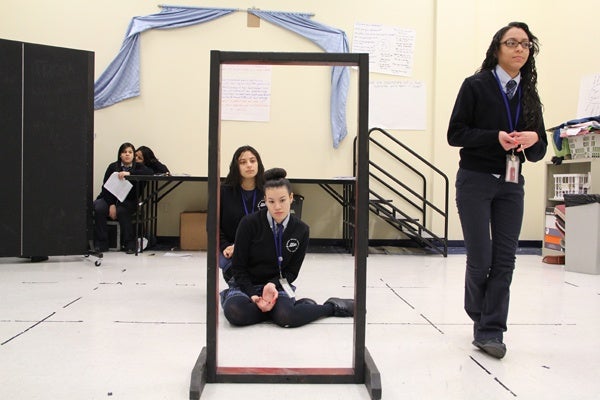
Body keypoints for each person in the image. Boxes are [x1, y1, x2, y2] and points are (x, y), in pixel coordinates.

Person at [447, 22, 547, 359]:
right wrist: (495, 137)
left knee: (505, 260)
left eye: (525, 44)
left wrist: (533, 140)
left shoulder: (529, 92)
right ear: (497, 48)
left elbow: (539, 148)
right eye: (512, 43)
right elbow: (456, 133)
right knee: (480, 259)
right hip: (475, 179)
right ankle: (480, 313)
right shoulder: (475, 85)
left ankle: (491, 331)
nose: (520, 49)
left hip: (511, 183)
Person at [220, 167, 354, 327]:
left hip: (278, 284)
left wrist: (271, 286)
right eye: (271, 201)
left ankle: (331, 307)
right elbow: (238, 268)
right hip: (246, 284)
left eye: (282, 200)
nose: (277, 207)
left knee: (286, 317)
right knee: (235, 312)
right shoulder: (248, 224)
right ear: (265, 200)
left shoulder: (301, 230)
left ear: (291, 198)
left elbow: (291, 272)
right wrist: (254, 296)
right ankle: (291, 309)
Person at [93, 142, 153, 254]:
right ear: (120, 155)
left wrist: (129, 173)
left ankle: (129, 244)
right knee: (99, 207)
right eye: (124, 152)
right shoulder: (112, 167)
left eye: (130, 152)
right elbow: (106, 188)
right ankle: (101, 243)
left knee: (122, 211)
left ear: (133, 155)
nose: (127, 154)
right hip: (109, 198)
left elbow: (150, 172)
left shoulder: (138, 167)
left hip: (128, 200)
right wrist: (111, 205)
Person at [219, 145, 266, 283]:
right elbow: (213, 226)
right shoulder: (224, 192)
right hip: (229, 246)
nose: (249, 165)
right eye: (243, 162)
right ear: (236, 166)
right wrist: (225, 246)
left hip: (259, 246)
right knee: (232, 268)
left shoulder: (268, 191)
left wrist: (242, 246)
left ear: (259, 163)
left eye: (253, 160)